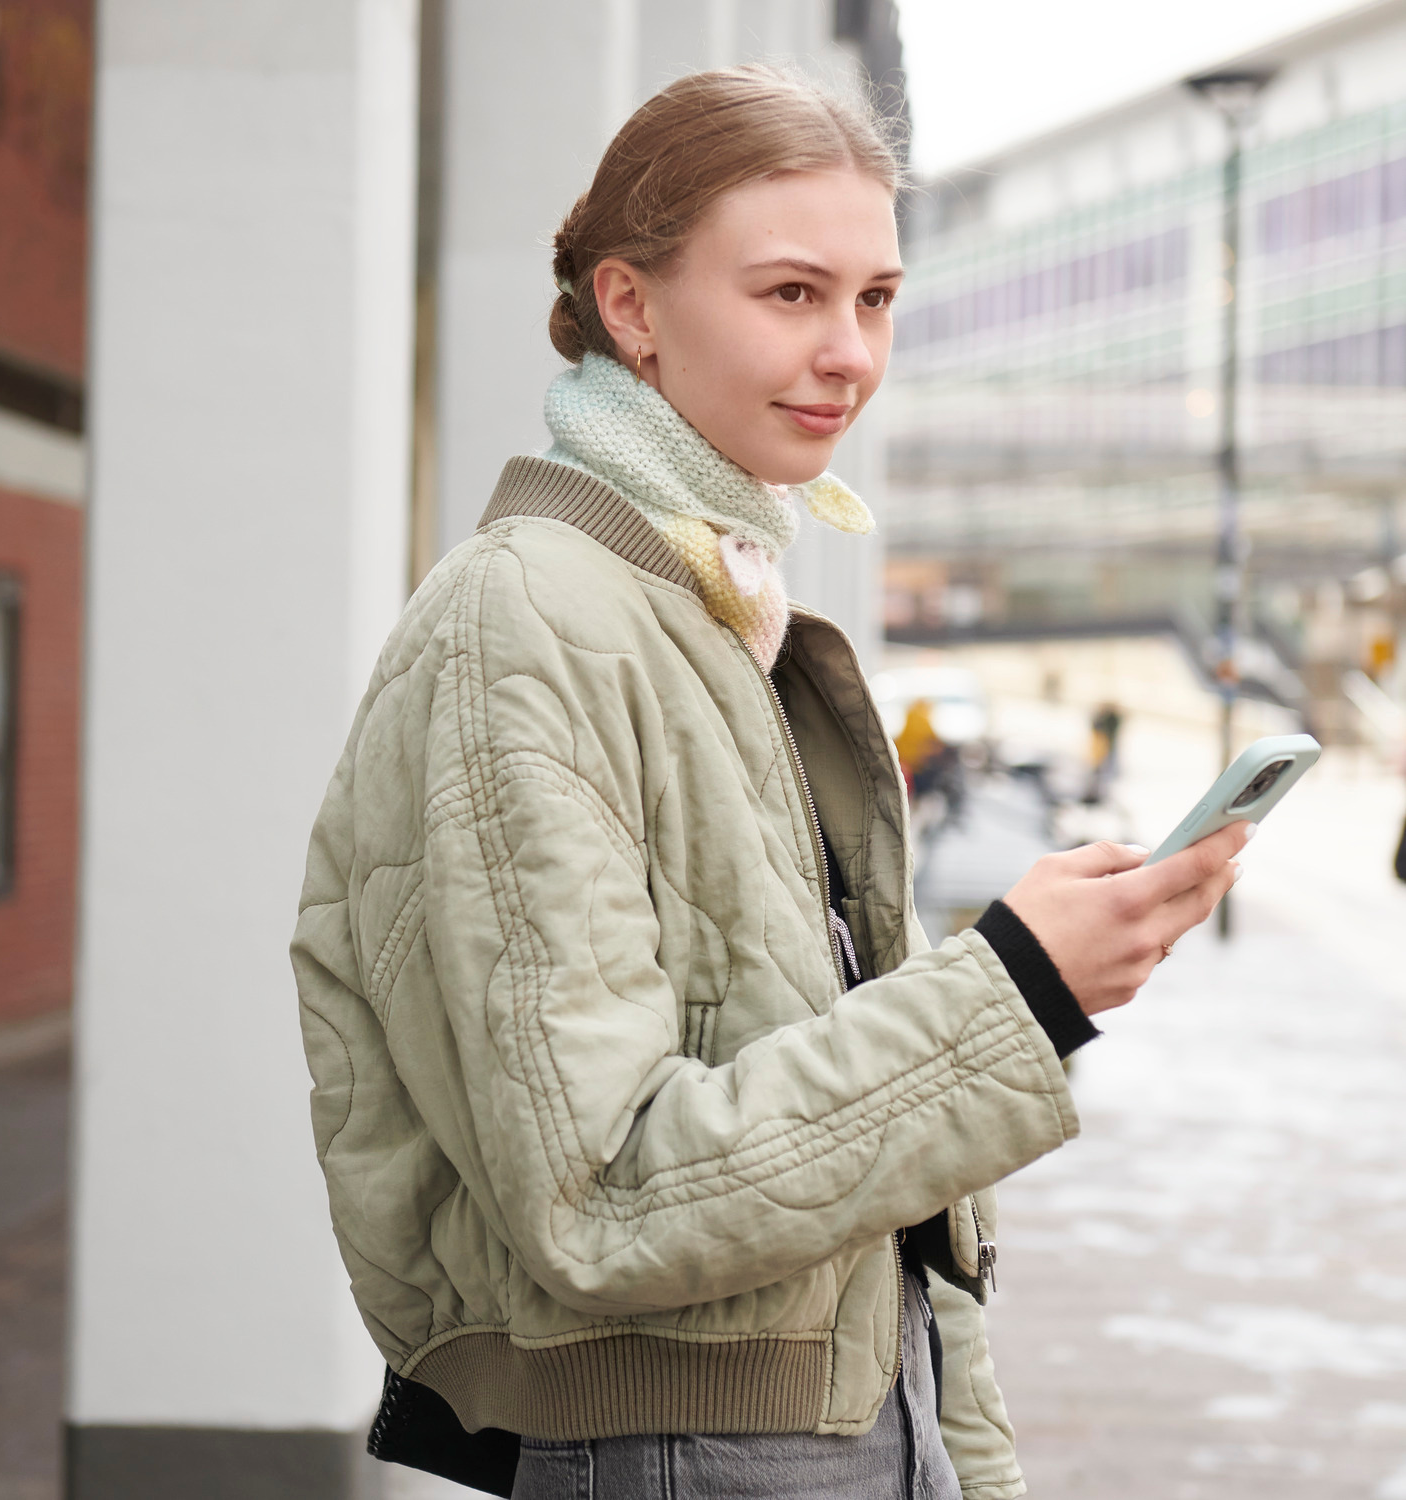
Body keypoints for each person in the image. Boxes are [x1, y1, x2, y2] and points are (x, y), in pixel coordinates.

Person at [292, 67, 1246, 1500]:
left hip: (843, 1419)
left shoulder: (715, 607)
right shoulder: (526, 619)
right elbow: (601, 1192)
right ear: (630, 307)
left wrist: (971, 1459)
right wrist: (1019, 989)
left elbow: (893, 1221)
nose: (852, 353)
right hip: (689, 1451)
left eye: (876, 299)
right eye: (793, 294)